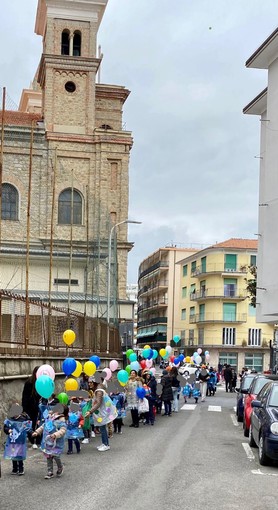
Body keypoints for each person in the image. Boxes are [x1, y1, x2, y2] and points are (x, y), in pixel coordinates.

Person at [32, 404, 68, 479]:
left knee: (56, 456)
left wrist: (55, 435)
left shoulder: (61, 421)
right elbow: (43, 426)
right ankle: (50, 472)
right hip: (47, 442)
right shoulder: (50, 418)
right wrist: (37, 432)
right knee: (48, 457)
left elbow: (63, 430)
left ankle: (60, 467)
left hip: (56, 443)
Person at [86, 381, 117, 451]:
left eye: (91, 382)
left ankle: (106, 444)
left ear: (94, 383)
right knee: (102, 427)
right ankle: (104, 443)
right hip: (103, 411)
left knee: (102, 428)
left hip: (103, 412)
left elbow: (98, 403)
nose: (89, 384)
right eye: (89, 382)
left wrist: (90, 411)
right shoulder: (98, 389)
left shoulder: (98, 392)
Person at [3, 404, 32, 475]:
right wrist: (8, 430)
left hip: (20, 440)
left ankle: (21, 468)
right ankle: (15, 468)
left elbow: (28, 428)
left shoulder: (23, 419)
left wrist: (32, 433)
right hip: (12, 441)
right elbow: (5, 427)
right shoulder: (10, 419)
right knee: (13, 454)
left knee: (19, 454)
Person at [21, 366, 40, 448]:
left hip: (38, 406)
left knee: (38, 423)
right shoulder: (29, 382)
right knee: (30, 423)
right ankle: (32, 440)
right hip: (30, 407)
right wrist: (24, 408)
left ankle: (37, 439)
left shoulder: (41, 382)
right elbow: (25, 396)